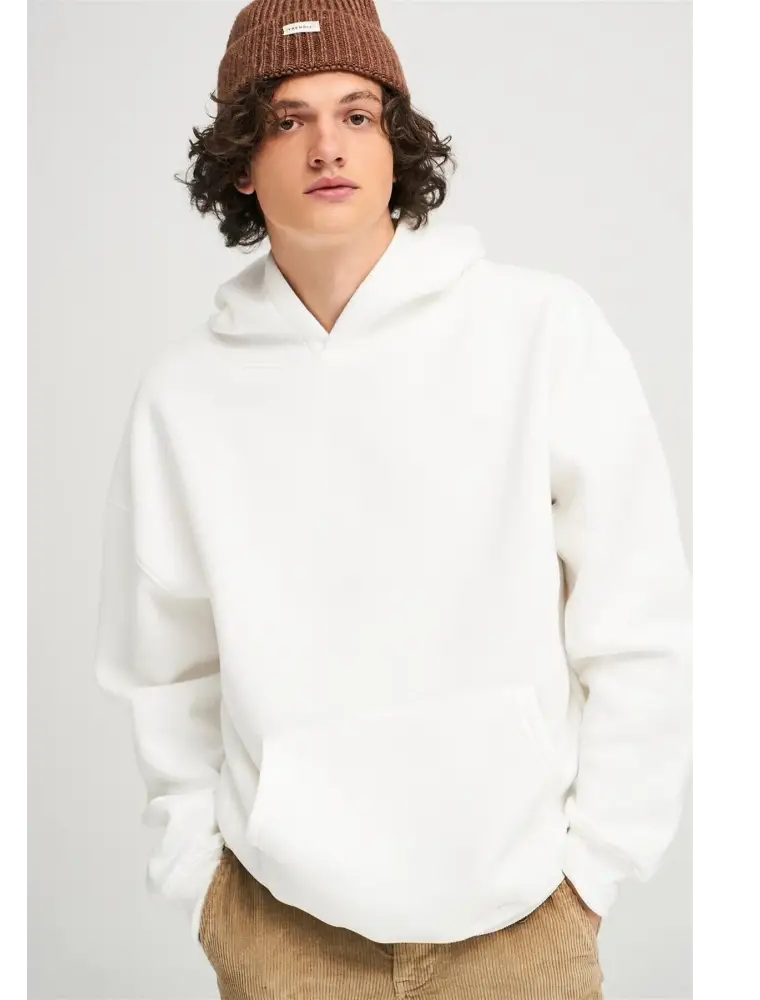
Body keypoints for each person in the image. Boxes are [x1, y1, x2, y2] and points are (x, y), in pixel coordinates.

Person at [92, 1, 694, 997]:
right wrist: (200, 882)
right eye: (287, 120)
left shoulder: (539, 331)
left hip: (522, 928)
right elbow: (164, 665)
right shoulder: (184, 395)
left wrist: (596, 868)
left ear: (395, 142)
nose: (327, 145)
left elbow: (639, 620)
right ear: (241, 162)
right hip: (281, 934)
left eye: (357, 114)